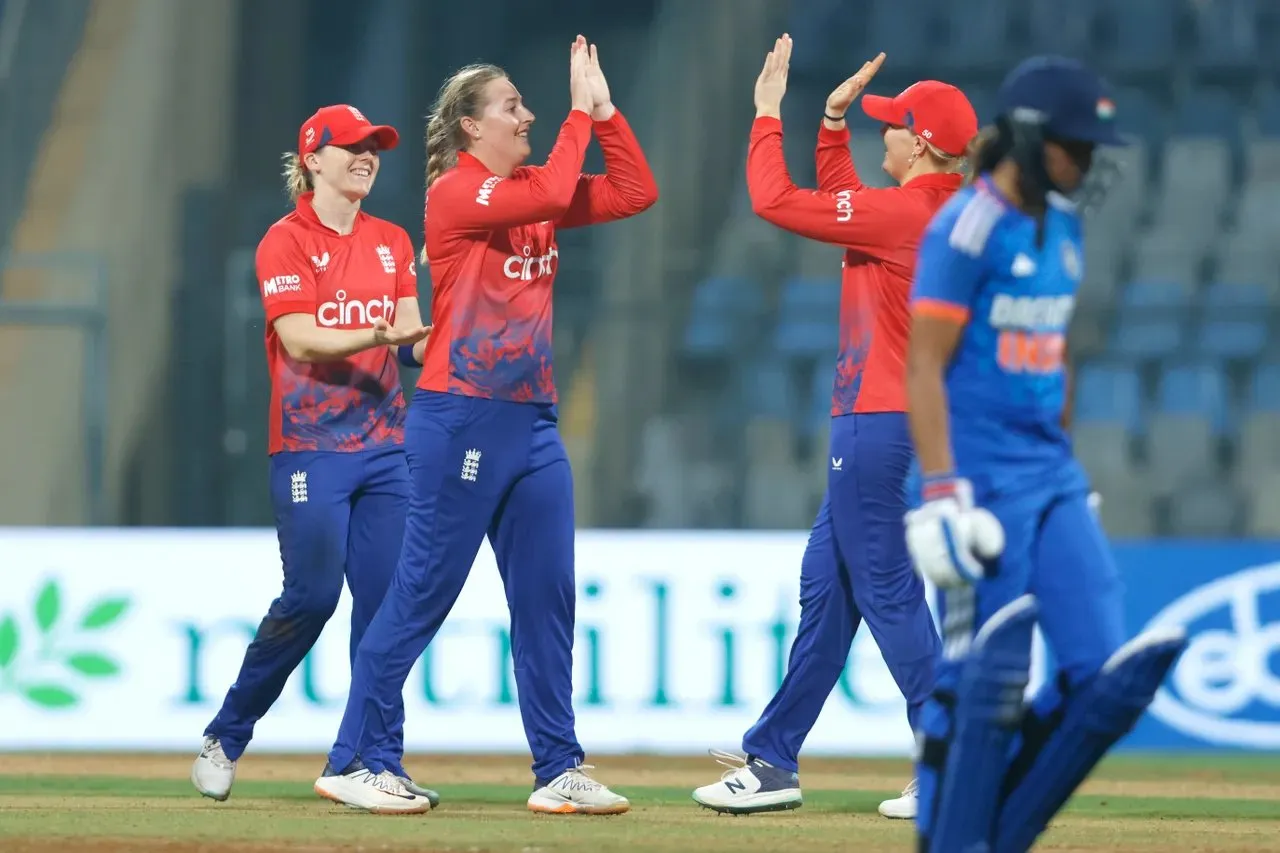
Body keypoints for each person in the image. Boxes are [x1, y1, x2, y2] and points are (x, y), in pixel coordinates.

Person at [313, 36, 658, 816]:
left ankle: (558, 765)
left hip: (531, 422)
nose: (527, 114)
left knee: (547, 594)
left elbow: (636, 191)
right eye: (512, 106)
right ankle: (354, 758)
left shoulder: (535, 187)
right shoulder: (457, 195)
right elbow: (546, 195)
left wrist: (603, 112)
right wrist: (577, 114)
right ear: (471, 128)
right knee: (423, 592)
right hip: (460, 415)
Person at [901, 55, 1187, 852]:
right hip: (980, 474)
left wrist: (1067, 472)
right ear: (1029, 138)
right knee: (983, 678)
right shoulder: (966, 227)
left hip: (1050, 472)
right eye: (1076, 144)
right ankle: (950, 837)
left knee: (1103, 674)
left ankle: (989, 832)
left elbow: (1055, 353)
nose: (1088, 160)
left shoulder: (1064, 227)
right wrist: (941, 489)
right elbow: (923, 363)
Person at [691, 35, 977, 820]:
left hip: (873, 419)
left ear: (918, 143)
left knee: (886, 589)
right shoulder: (936, 209)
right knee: (828, 595)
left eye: (889, 124)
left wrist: (765, 114)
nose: (876, 132)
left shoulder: (907, 214)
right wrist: (830, 122)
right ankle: (774, 759)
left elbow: (774, 201)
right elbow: (856, 211)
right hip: (887, 418)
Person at [190, 104, 436, 807]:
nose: (367, 156)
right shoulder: (285, 242)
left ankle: (371, 757)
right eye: (352, 146)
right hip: (310, 448)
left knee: (390, 604)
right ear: (314, 158)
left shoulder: (391, 241)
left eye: (375, 148)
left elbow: (409, 341)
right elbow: (298, 338)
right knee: (313, 596)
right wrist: (381, 336)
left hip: (386, 447)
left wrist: (454, 337)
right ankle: (227, 732)